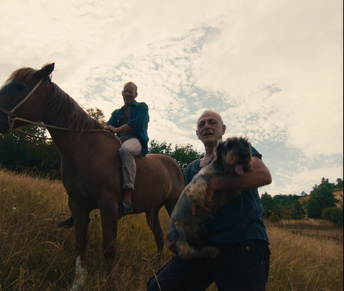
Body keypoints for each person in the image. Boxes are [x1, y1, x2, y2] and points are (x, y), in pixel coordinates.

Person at [147, 110, 272, 291]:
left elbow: (263, 175)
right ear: (197, 134)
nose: (207, 126)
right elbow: (193, 207)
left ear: (223, 129)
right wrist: (179, 234)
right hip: (203, 247)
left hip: (243, 244)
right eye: (201, 124)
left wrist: (214, 183)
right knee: (158, 288)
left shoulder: (236, 150)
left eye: (212, 122)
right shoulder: (192, 168)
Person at [58, 82, 149, 227]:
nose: (128, 93)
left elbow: (137, 124)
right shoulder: (117, 113)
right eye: (125, 91)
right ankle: (77, 214)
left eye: (131, 91)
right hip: (118, 140)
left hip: (135, 140)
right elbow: (107, 128)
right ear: (122, 93)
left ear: (136, 94)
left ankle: (127, 197)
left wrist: (117, 130)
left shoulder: (142, 107)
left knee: (126, 151)